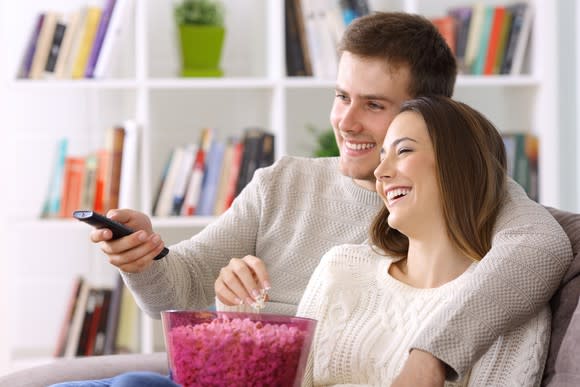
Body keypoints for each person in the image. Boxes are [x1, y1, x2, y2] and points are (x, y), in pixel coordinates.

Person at [50, 11, 572, 387]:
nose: (346, 121)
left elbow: (543, 250)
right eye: (342, 96)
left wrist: (432, 357)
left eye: (373, 105)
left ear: (432, 114)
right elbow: (179, 289)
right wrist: (143, 259)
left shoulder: (467, 192)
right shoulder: (283, 182)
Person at [218, 95, 551, 386]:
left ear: (461, 165)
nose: (380, 172)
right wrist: (237, 320)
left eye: (403, 151)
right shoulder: (342, 267)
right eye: (381, 157)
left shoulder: (510, 302)